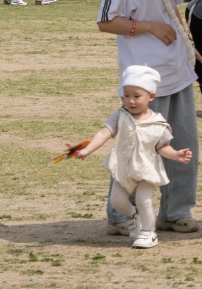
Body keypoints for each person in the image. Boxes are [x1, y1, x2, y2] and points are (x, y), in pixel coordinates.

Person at [97, 0, 201, 236]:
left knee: (183, 143)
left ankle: (176, 210)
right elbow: (107, 22)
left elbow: (172, 10)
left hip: (177, 68)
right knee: (137, 147)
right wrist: (149, 27)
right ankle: (119, 215)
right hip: (142, 74)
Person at [66, 64, 194, 249]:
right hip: (123, 168)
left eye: (136, 96)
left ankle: (149, 233)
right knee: (117, 201)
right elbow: (104, 133)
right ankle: (134, 218)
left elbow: (162, 147)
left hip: (145, 169)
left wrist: (176, 155)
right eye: (126, 96)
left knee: (144, 200)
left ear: (151, 96)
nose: (131, 101)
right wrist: (87, 150)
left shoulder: (157, 123)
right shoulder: (121, 115)